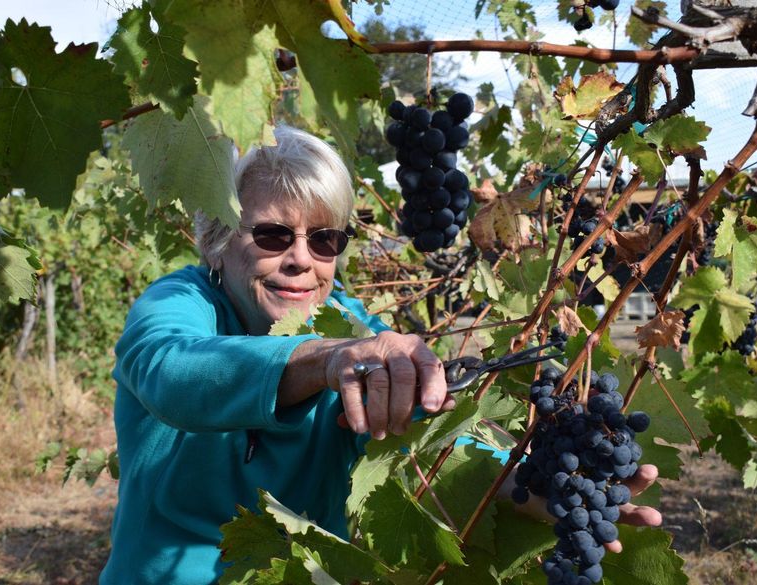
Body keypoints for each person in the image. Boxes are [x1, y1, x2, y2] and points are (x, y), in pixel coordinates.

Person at [99, 126, 660, 584]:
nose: (302, 260)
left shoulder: (349, 324)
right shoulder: (181, 300)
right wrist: (321, 360)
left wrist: (535, 488)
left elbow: (434, 438)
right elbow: (170, 370)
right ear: (219, 241)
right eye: (272, 236)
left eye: (325, 240)